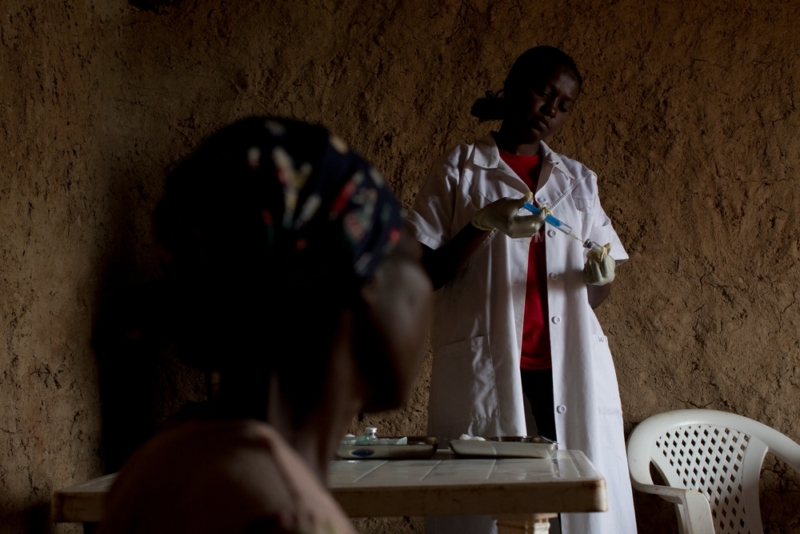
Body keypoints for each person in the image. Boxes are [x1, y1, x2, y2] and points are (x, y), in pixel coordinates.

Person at [97, 117, 433, 534]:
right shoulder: (286, 518)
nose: (427, 292)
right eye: (411, 258)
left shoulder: (163, 469)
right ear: (364, 282)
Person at [408, 46, 637, 533]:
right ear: (513, 88)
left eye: (564, 104)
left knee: (573, 509)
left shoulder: (578, 181)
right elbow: (424, 272)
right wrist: (480, 224)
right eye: (543, 92)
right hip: (490, 365)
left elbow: (591, 294)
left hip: (567, 365)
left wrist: (599, 279)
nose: (551, 109)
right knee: (493, 506)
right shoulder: (461, 169)